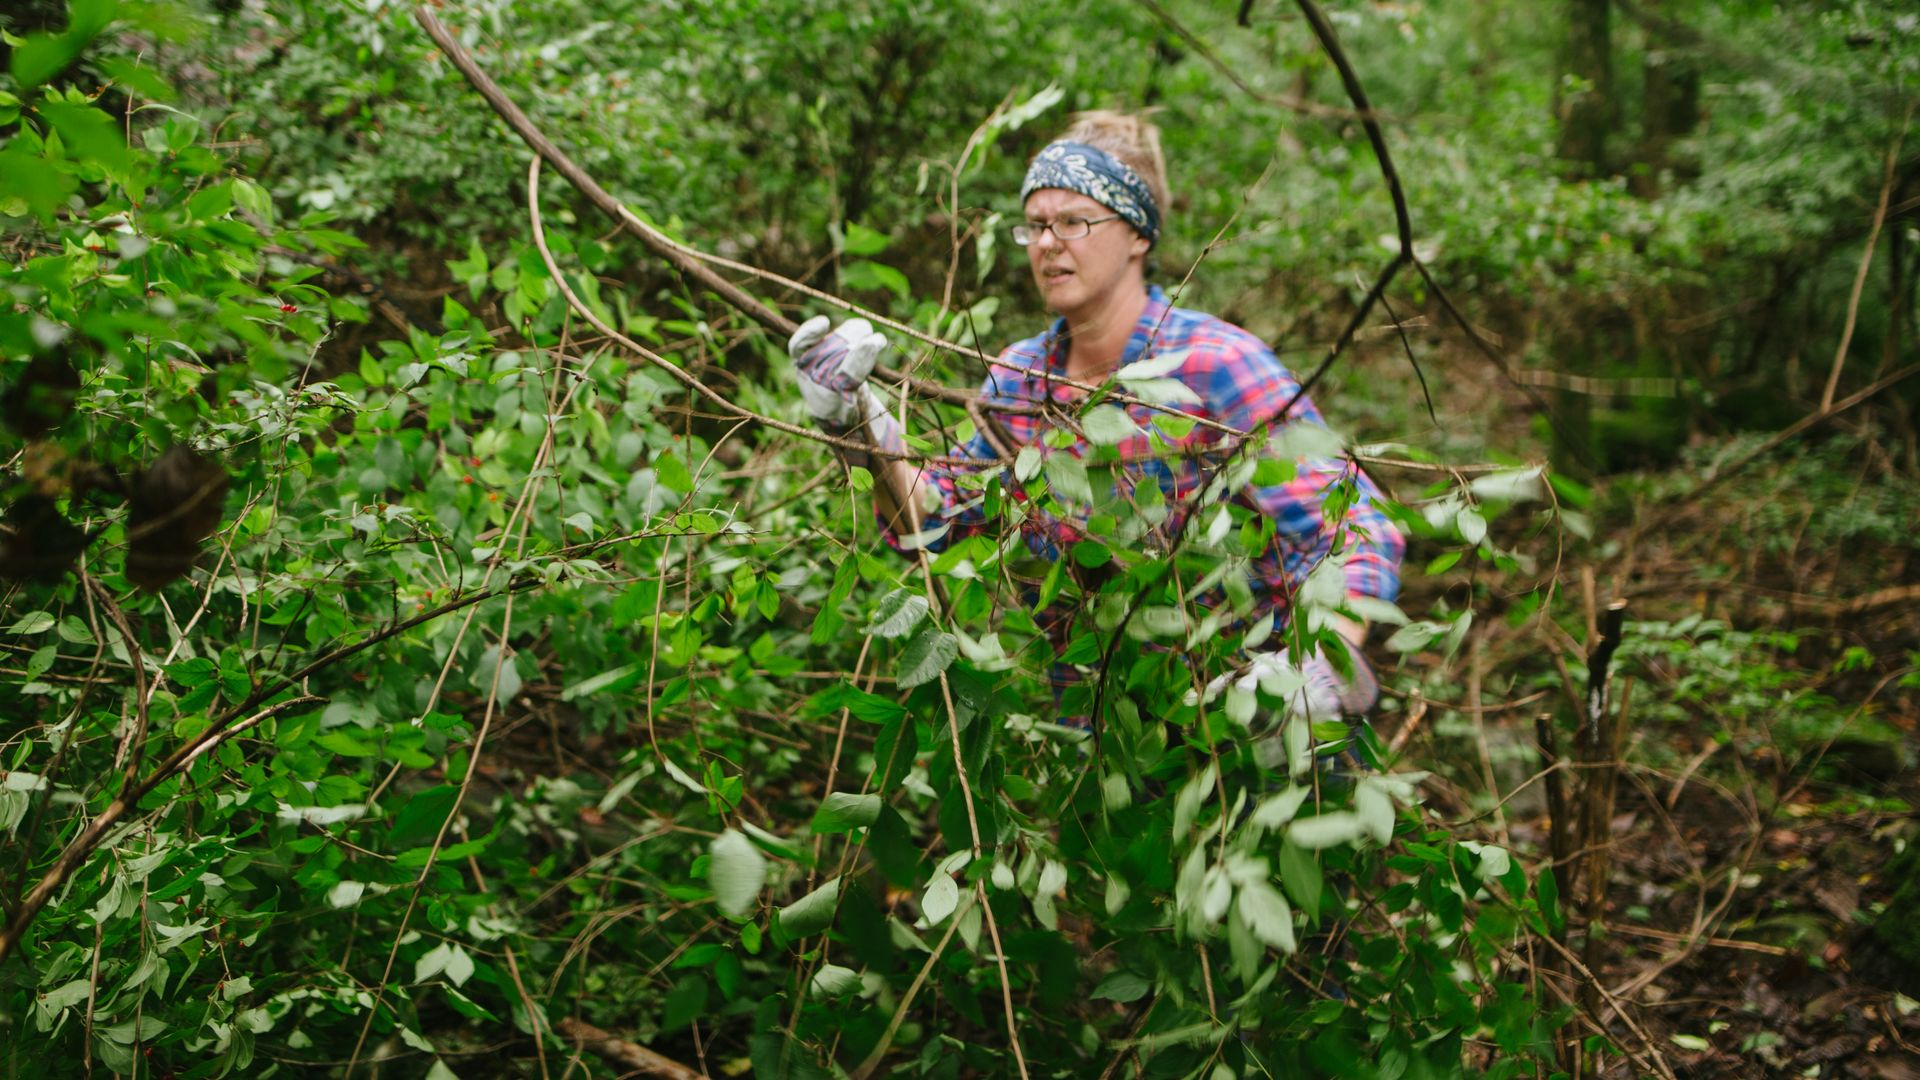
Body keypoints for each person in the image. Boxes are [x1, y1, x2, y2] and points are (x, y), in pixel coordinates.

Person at [784, 111, 1404, 732]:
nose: (1049, 243)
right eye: (1035, 226)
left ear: (1138, 234)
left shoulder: (1215, 368)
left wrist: (1323, 668)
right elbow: (940, 519)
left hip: (1256, 736)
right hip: (1103, 749)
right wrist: (857, 425)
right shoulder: (1021, 379)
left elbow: (1353, 525)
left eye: (1075, 221)